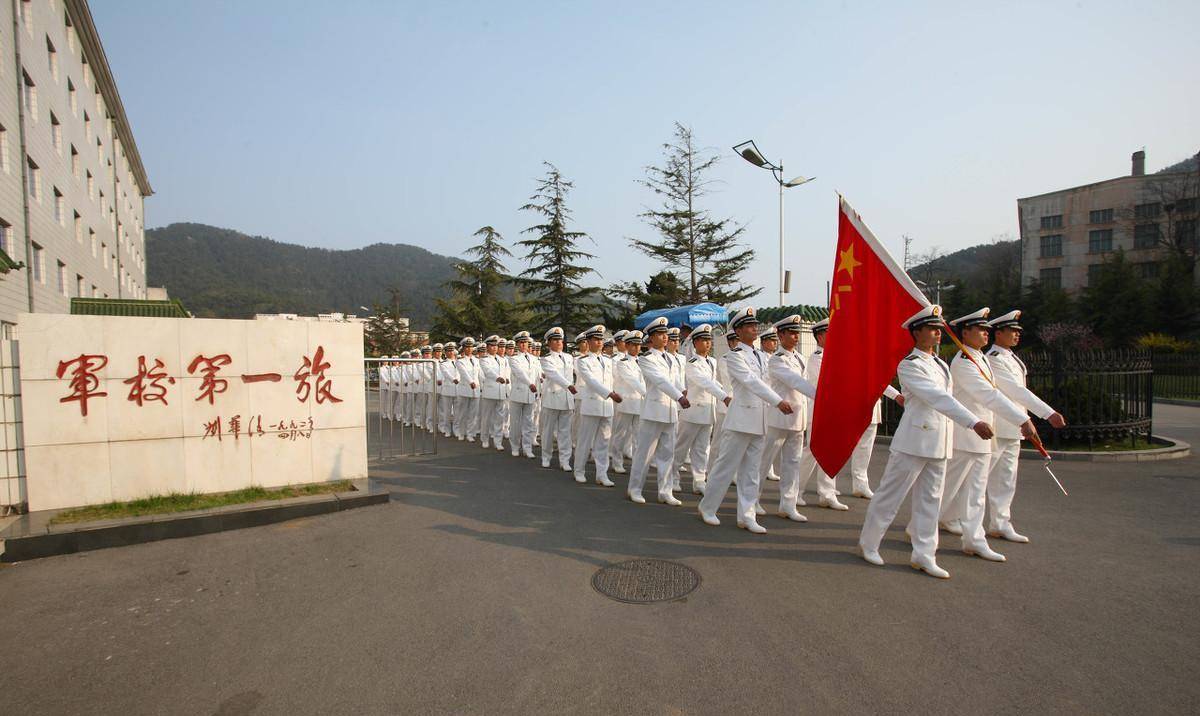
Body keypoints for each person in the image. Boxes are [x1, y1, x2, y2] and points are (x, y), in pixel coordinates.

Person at [857, 305, 992, 579]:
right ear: (916, 332)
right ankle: (869, 543)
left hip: (940, 441)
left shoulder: (941, 364)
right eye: (931, 328)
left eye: (939, 328)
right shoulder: (910, 365)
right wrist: (972, 421)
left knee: (930, 501)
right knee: (890, 496)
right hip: (914, 440)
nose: (937, 333)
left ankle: (924, 554)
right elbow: (937, 398)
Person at [938, 308, 1037, 563]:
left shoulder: (980, 358)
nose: (986, 333)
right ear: (965, 332)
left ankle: (974, 539)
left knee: (975, 490)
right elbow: (989, 395)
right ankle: (922, 525)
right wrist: (1023, 419)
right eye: (980, 329)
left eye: (986, 329)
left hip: (985, 434)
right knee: (949, 486)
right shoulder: (963, 361)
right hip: (967, 432)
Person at [698, 308, 792, 534]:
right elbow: (752, 382)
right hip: (741, 419)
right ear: (738, 331)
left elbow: (768, 381)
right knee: (725, 467)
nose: (754, 328)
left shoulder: (761, 356)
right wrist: (778, 401)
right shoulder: (734, 356)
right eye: (749, 325)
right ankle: (708, 507)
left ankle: (747, 516)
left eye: (755, 324)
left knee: (751, 471)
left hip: (759, 419)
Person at [984, 310, 1066, 543]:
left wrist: (1027, 420)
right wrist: (1047, 413)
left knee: (1006, 479)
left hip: (1014, 427)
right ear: (998, 333)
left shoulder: (1011, 358)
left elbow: (1020, 397)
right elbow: (1015, 391)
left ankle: (1000, 523)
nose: (1017, 335)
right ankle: (956, 517)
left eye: (1018, 332)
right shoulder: (994, 358)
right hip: (999, 425)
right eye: (1012, 331)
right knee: (980, 477)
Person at [761, 315, 819, 522]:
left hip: (798, 419)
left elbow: (804, 382)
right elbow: (794, 381)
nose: (796, 336)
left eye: (797, 332)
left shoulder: (800, 358)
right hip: (779, 418)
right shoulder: (776, 360)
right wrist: (821, 396)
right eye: (792, 333)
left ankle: (788, 505)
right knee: (763, 461)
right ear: (781, 335)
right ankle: (752, 500)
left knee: (792, 464)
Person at [628, 317, 689, 505]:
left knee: (667, 454)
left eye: (665, 334)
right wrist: (679, 396)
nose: (665, 337)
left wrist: (684, 390)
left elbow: (677, 380)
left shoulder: (671, 358)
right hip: (654, 411)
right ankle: (635, 488)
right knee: (644, 453)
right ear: (652, 338)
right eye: (660, 334)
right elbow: (660, 380)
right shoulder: (646, 359)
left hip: (670, 411)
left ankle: (665, 491)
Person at [793, 318, 845, 509]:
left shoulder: (835, 356)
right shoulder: (817, 357)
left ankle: (827, 493)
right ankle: (796, 489)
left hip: (835, 408)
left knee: (831, 451)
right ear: (821, 336)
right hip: (820, 408)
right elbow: (830, 381)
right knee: (812, 451)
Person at [674, 324, 727, 496]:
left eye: (709, 340)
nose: (707, 343)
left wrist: (726, 393)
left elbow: (715, 382)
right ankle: (673, 477)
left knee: (702, 449)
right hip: (693, 411)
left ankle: (699, 481)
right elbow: (705, 382)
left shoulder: (712, 361)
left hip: (708, 412)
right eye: (703, 340)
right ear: (695, 343)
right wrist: (723, 396)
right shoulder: (692, 363)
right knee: (682, 447)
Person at [575, 325, 620, 486]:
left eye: (601, 339)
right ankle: (579, 470)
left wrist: (615, 393)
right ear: (588, 341)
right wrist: (610, 394)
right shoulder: (583, 361)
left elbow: (613, 380)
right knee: (585, 441)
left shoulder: (608, 361)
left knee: (604, 442)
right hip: (592, 405)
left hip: (607, 407)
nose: (599, 342)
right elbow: (591, 381)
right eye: (595, 339)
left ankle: (602, 474)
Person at [539, 327, 575, 471]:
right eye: (555, 340)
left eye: (560, 340)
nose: (559, 342)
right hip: (553, 398)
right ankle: (546, 457)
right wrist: (569, 386)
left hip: (567, 399)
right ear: (549, 343)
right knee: (548, 431)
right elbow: (553, 375)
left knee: (565, 432)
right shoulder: (546, 359)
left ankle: (565, 460)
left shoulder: (569, 357)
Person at [610, 330, 645, 474]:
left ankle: (637, 464)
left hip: (640, 403)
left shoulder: (643, 361)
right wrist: (646, 393)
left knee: (639, 436)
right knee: (620, 434)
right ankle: (617, 461)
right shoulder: (621, 362)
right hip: (626, 402)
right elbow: (632, 380)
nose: (637, 348)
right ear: (627, 345)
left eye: (639, 345)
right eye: (633, 345)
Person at [507, 332, 539, 458]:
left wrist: (537, 389)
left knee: (528, 422)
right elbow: (519, 373)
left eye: (525, 342)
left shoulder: (534, 359)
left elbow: (537, 376)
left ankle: (527, 448)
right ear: (517, 344)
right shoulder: (514, 358)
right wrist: (530, 383)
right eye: (521, 342)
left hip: (530, 394)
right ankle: (515, 446)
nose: (524, 345)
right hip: (518, 393)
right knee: (515, 422)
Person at [478, 336, 507, 451]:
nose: (494, 348)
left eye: (496, 346)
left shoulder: (502, 359)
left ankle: (498, 441)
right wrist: (498, 377)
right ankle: (484, 439)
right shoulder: (484, 359)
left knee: (499, 418)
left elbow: (506, 374)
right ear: (488, 347)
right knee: (486, 417)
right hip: (490, 391)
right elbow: (488, 371)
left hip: (501, 392)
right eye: (492, 346)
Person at [453, 337, 480, 441]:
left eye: (471, 347)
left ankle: (470, 433)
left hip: (476, 389)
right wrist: (470, 382)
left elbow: (479, 374)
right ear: (463, 348)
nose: (469, 349)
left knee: (473, 414)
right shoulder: (460, 361)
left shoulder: (477, 361)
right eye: (467, 347)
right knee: (463, 413)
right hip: (465, 389)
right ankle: (461, 432)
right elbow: (464, 373)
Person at [436, 343, 457, 437]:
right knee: (446, 412)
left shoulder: (459, 362)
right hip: (448, 389)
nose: (450, 352)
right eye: (448, 351)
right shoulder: (443, 363)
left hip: (458, 390)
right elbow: (446, 373)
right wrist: (454, 380)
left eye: (452, 350)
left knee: (457, 412)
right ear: (445, 352)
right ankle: (447, 429)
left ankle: (457, 430)